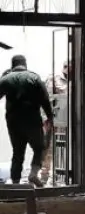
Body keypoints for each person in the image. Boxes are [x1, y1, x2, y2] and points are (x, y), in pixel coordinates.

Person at [0, 55, 53, 186]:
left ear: (13, 65)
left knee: (17, 152)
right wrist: (50, 117)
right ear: (25, 64)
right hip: (32, 120)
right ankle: (33, 174)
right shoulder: (34, 78)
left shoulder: (5, 79)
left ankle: (16, 183)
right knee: (39, 148)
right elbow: (45, 99)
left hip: (13, 122)